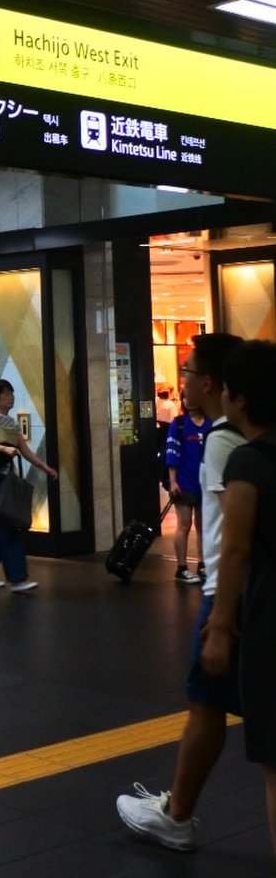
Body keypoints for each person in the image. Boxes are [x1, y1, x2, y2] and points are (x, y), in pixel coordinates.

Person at [116, 332, 243, 851]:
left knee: (206, 704)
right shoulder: (238, 434)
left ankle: (175, 816)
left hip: (230, 593)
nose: (181, 379)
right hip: (232, 589)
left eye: (187, 371)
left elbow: (232, 536)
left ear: (209, 382)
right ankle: (176, 810)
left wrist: (221, 611)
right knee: (207, 707)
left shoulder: (223, 438)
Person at [201, 339, 276, 865]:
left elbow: (237, 548)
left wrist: (220, 628)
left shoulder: (248, 463)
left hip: (270, 619)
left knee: (275, 763)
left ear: (240, 399)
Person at [0, 378, 57, 592]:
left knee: (0, 525)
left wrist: (45, 468)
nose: (11, 396)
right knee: (8, 524)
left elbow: (25, 451)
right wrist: (3, 450)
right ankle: (18, 578)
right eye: (7, 394)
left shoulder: (12, 423)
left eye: (11, 393)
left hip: (4, 478)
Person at [165, 398, 211, 583]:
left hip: (206, 483)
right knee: (184, 525)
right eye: (185, 397)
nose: (187, 399)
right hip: (184, 482)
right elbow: (172, 451)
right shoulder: (179, 424)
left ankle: (202, 565)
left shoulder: (211, 423)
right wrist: (173, 481)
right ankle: (181, 567)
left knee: (203, 526)